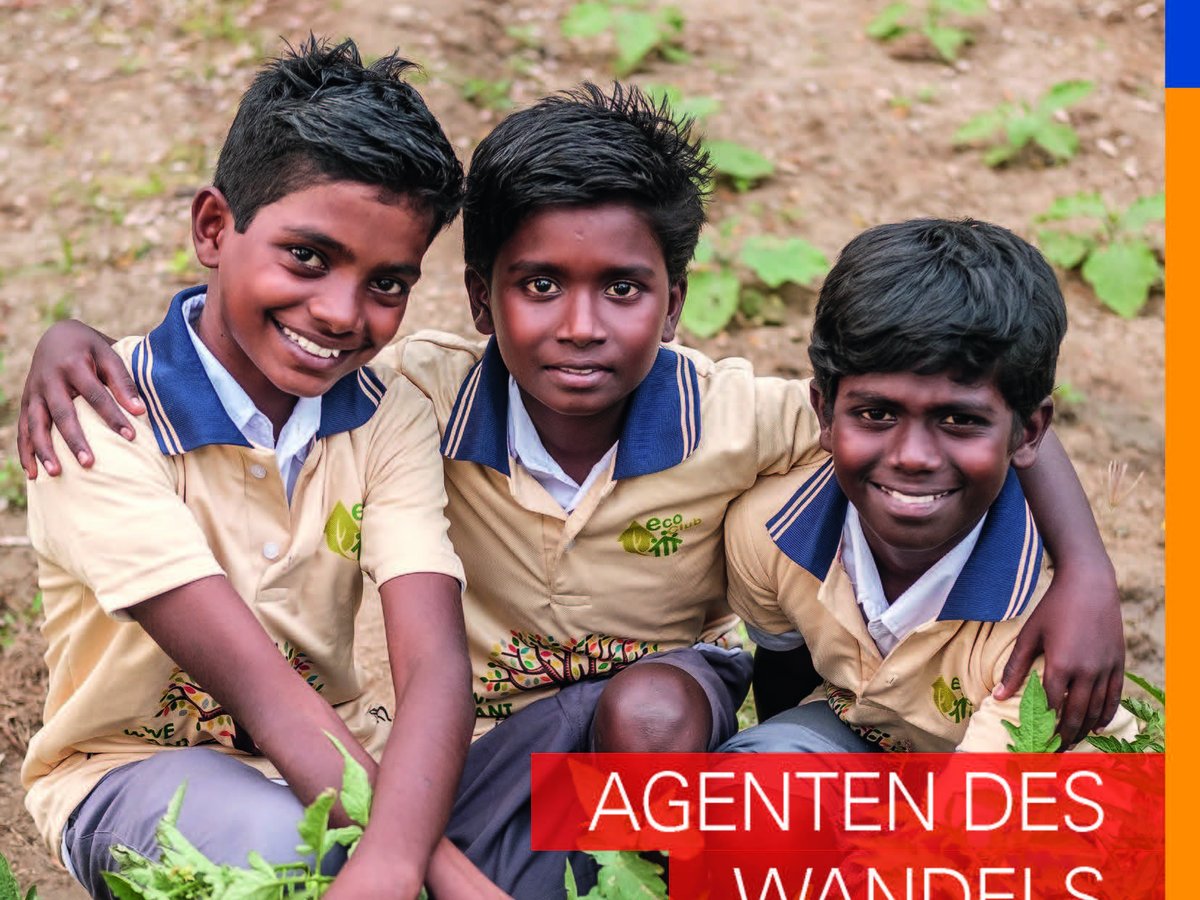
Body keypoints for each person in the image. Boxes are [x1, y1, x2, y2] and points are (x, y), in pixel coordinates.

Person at [18, 88, 1125, 894]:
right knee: (328, 851)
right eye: (539, 285)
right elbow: (272, 323)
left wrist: (1084, 566)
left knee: (649, 727)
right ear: (482, 295)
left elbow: (944, 398)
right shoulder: (409, 396)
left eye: (623, 289)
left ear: (676, 299)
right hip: (432, 752)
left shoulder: (748, 416)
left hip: (615, 730)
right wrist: (74, 341)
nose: (582, 325)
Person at [19, 37, 506, 899]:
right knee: (300, 852)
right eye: (307, 257)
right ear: (214, 227)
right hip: (130, 771)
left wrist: (415, 861)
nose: (339, 312)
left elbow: (434, 668)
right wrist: (425, 873)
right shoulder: (98, 422)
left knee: (531, 810)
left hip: (341, 754)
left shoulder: (387, 417)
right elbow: (266, 692)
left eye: (388, 283)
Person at [718, 219, 1135, 754]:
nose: (912, 457)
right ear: (823, 412)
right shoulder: (771, 531)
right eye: (876, 413)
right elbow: (784, 668)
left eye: (959, 421)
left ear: (1028, 431)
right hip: (868, 744)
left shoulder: (1048, 623)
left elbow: (968, 826)